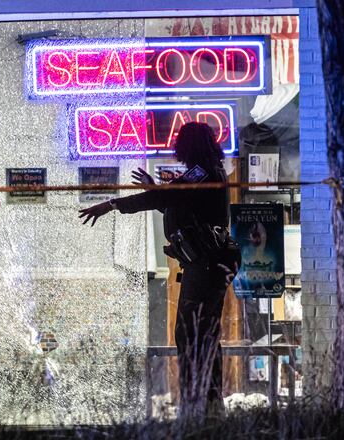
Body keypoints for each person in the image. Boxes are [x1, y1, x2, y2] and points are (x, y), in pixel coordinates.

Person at [78, 122, 232, 416]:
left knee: (192, 332)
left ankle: (200, 404)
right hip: (206, 263)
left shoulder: (202, 172)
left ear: (190, 145)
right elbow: (174, 203)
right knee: (200, 332)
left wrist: (112, 204)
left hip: (207, 264)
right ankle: (206, 403)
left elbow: (165, 199)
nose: (176, 147)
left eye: (180, 142)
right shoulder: (208, 172)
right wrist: (157, 190)